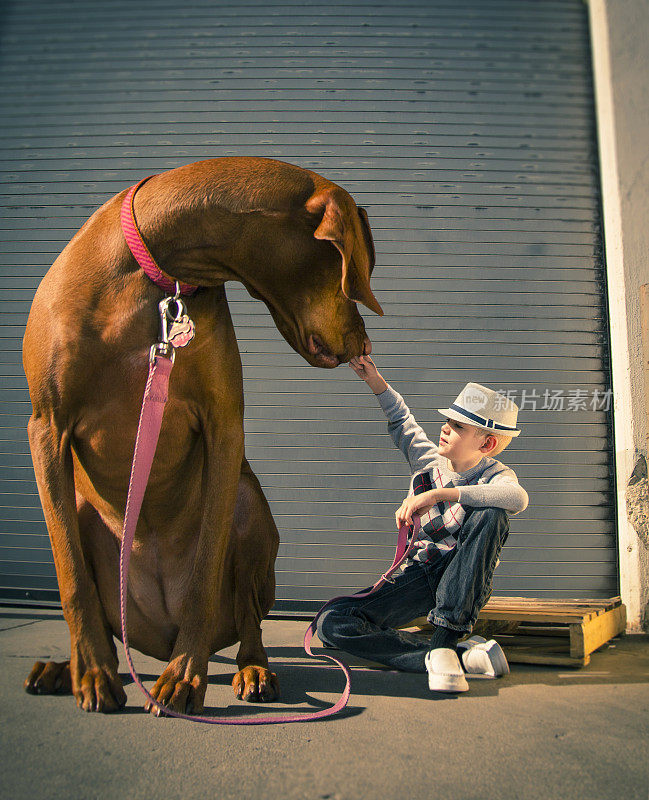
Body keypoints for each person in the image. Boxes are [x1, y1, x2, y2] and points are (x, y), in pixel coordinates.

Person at [316, 356, 529, 693]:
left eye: (458, 426)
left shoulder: (497, 476)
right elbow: (402, 420)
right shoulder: (428, 462)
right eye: (448, 420)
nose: (445, 427)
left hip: (463, 578)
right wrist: (375, 380)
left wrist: (437, 496)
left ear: (486, 444)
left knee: (492, 512)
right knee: (332, 623)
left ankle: (445, 636)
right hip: (420, 576)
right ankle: (448, 655)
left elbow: (517, 499)